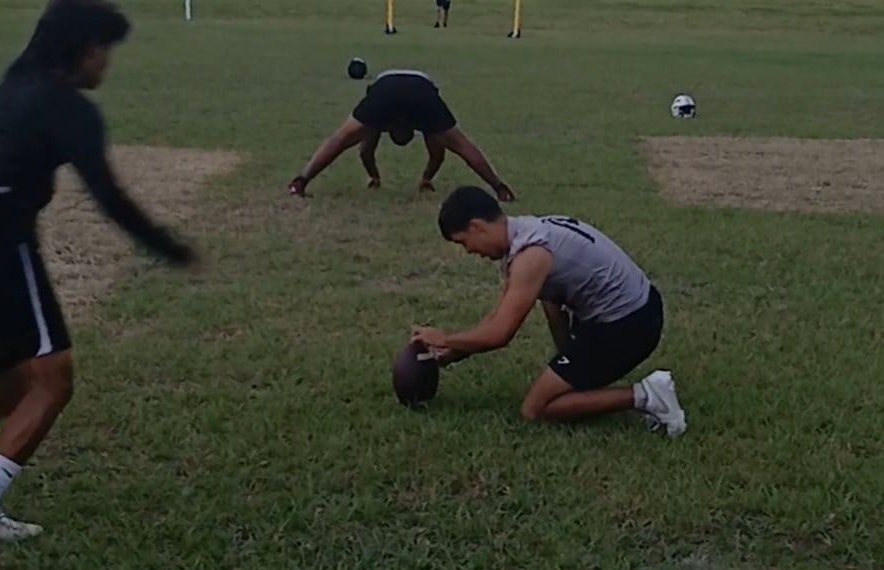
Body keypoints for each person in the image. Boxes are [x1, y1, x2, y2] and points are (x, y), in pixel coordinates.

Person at [0, 0, 199, 546]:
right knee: (54, 383)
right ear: (80, 51)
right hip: (3, 249)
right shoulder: (69, 110)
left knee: (3, 393)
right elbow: (111, 199)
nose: (106, 64)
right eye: (103, 51)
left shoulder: (17, 81)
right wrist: (172, 250)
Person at [410, 185, 687, 435]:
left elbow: (499, 334)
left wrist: (444, 338)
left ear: (477, 227)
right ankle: (601, 389)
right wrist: (451, 355)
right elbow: (505, 314)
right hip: (633, 310)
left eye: (463, 242)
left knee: (536, 410)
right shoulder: (526, 231)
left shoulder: (531, 255)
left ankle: (647, 396)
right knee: (564, 382)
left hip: (629, 324)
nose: (469, 251)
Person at [287, 69, 514, 201]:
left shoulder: (376, 125)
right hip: (421, 90)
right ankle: (501, 189)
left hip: (385, 88)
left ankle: (300, 182)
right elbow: (439, 154)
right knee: (462, 145)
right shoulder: (424, 123)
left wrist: (374, 177)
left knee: (340, 139)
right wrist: (427, 179)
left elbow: (365, 151)